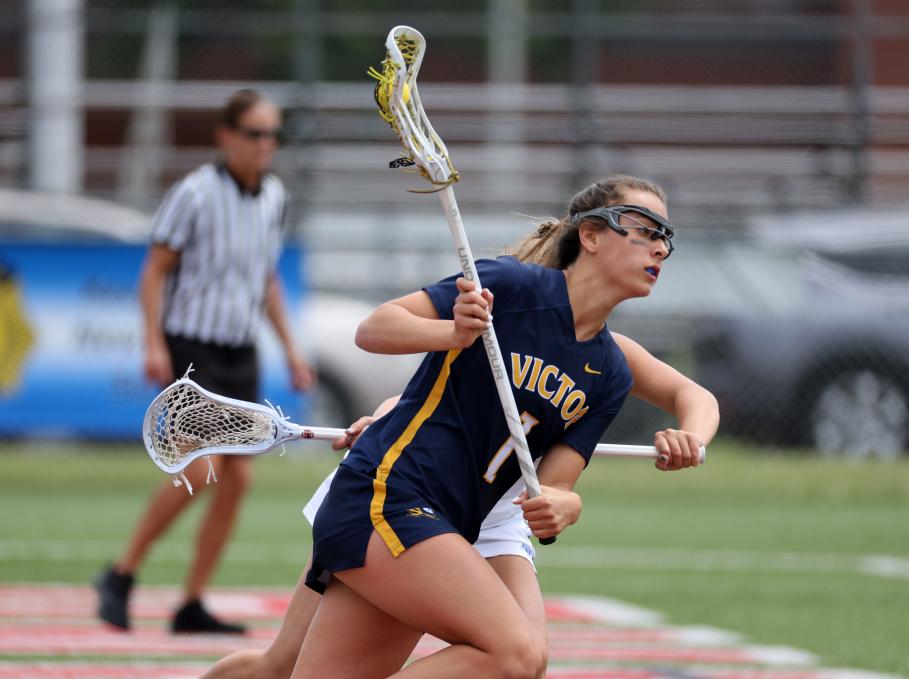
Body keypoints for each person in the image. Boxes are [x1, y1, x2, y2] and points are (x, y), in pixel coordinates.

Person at [204, 174, 716, 677]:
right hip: (389, 494)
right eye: (645, 228)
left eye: (665, 238)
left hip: (450, 523)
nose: (660, 249)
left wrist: (568, 504)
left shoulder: (610, 372)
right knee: (516, 654)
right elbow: (374, 328)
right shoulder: (513, 286)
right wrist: (453, 331)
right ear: (591, 235)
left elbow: (554, 484)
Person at [94, 89, 314, 634]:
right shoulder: (194, 192)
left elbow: (265, 279)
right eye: (255, 133)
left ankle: (191, 601)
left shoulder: (274, 197)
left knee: (237, 480)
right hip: (194, 347)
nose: (266, 145)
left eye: (272, 135)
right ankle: (122, 573)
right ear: (226, 135)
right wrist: (152, 341)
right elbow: (155, 270)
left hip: (240, 349)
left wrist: (289, 347)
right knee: (201, 465)